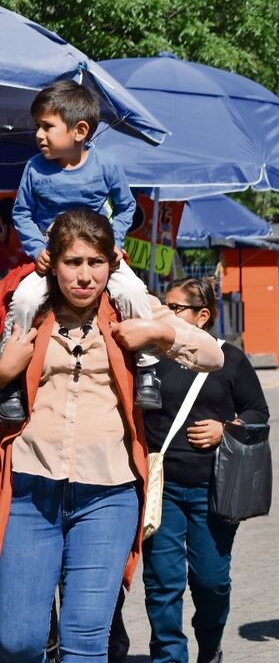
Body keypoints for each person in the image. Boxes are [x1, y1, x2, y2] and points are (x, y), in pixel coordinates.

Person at [0, 209, 224, 662]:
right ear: (52, 262)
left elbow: (212, 356)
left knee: (86, 640)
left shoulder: (128, 306)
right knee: (18, 641)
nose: (84, 276)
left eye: (95, 263)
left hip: (108, 494)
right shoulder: (26, 307)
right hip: (30, 489)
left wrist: (158, 330)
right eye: (73, 262)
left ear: (112, 264)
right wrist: (2, 370)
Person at [3, 81, 160, 421]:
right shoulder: (34, 168)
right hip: (53, 256)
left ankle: (148, 370)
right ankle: (11, 380)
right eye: (38, 127)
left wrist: (115, 242)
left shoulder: (106, 165)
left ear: (80, 130)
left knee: (134, 291)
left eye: (47, 127)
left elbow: (125, 206)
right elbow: (21, 213)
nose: (39, 135)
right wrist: (36, 249)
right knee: (24, 300)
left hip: (98, 252)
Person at [141, 278, 269, 663]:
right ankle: (168, 655)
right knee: (163, 582)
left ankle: (209, 645)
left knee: (211, 581)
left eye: (175, 308)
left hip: (212, 490)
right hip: (161, 489)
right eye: (163, 305)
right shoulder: (149, 356)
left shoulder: (229, 359)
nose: (166, 313)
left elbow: (257, 412)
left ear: (202, 316)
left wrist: (224, 429)